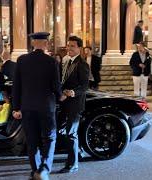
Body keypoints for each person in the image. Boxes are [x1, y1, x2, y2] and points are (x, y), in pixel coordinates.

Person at [12, 32, 65, 180]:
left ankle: (35, 169)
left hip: (27, 107)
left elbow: (16, 86)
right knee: (49, 138)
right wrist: (61, 96)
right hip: (46, 107)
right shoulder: (51, 61)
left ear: (33, 43)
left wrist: (16, 108)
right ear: (46, 43)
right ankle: (44, 168)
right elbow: (56, 86)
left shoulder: (21, 60)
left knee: (32, 140)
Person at [59, 36, 89, 174]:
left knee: (71, 133)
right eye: (68, 45)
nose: (69, 48)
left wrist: (71, 92)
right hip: (64, 103)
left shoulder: (82, 64)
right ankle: (77, 152)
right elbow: (62, 80)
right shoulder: (65, 61)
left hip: (75, 104)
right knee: (61, 131)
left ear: (79, 48)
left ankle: (73, 164)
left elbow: (84, 87)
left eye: (72, 46)